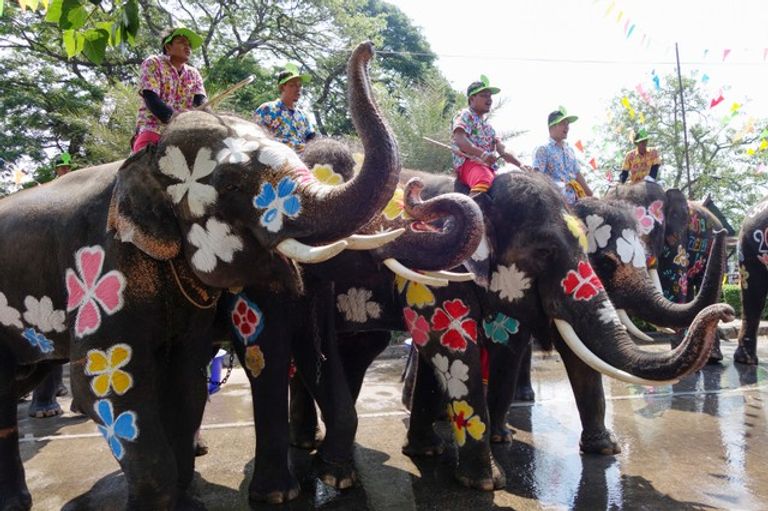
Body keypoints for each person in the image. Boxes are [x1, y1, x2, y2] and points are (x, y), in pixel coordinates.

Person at [132, 27, 207, 153]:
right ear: (168, 47)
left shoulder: (194, 74)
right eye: (182, 42)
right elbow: (151, 98)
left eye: (189, 45)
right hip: (154, 128)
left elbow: (201, 102)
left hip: (185, 133)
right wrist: (177, 119)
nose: (187, 47)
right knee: (144, 157)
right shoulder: (153, 63)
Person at [451, 75, 529, 196]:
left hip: (488, 168)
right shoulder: (465, 115)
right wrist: (482, 154)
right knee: (484, 180)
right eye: (484, 95)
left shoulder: (489, 128)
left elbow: (503, 150)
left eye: (490, 96)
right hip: (469, 164)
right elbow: (460, 139)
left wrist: (521, 164)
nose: (489, 99)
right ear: (472, 99)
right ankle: (468, 208)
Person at [533, 106, 593, 205]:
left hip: (576, 201)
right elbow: (537, 177)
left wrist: (591, 195)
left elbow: (577, 174)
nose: (567, 127)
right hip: (556, 204)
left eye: (567, 124)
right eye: (563, 123)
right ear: (552, 126)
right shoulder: (543, 149)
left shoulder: (570, 150)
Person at [253, 63, 316, 154]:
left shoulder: (303, 116)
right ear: (282, 87)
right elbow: (255, 137)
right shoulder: (267, 109)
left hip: (302, 159)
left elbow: (312, 140)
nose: (298, 88)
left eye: (299, 85)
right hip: (276, 157)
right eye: (292, 85)